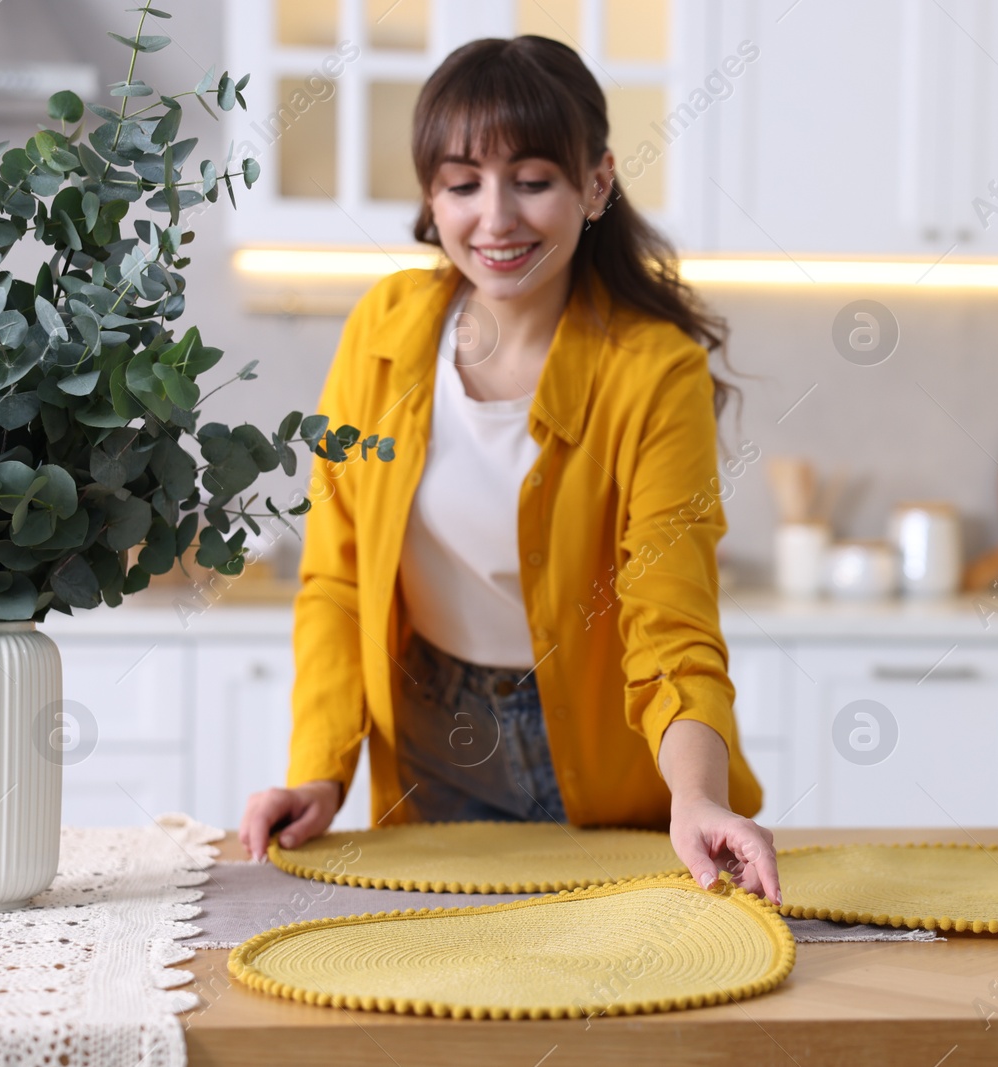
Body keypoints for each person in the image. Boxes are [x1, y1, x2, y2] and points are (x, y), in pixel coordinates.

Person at [239, 35, 779, 903]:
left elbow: (668, 622)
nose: (496, 219)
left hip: (607, 768)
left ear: (595, 184)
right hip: (425, 742)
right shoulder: (383, 329)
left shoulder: (652, 371)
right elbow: (338, 581)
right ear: (431, 197)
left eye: (532, 180)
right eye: (463, 183)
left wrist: (699, 797)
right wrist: (320, 775)